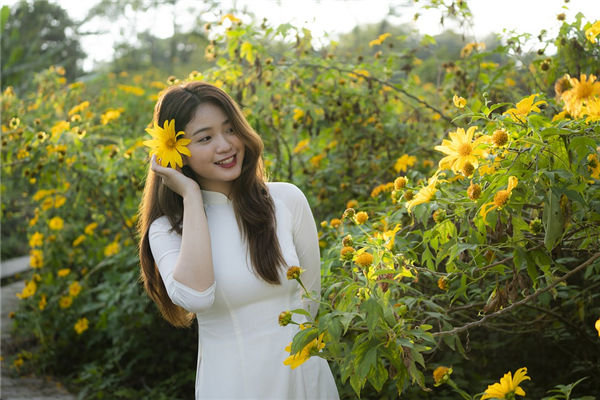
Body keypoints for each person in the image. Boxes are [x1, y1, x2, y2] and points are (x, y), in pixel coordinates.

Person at [137, 81, 340, 399]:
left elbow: (311, 299)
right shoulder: (167, 230)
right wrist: (191, 196)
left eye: (230, 129)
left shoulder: (286, 200)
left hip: (305, 378)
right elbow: (197, 298)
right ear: (178, 153)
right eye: (205, 138)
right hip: (235, 385)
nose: (225, 145)